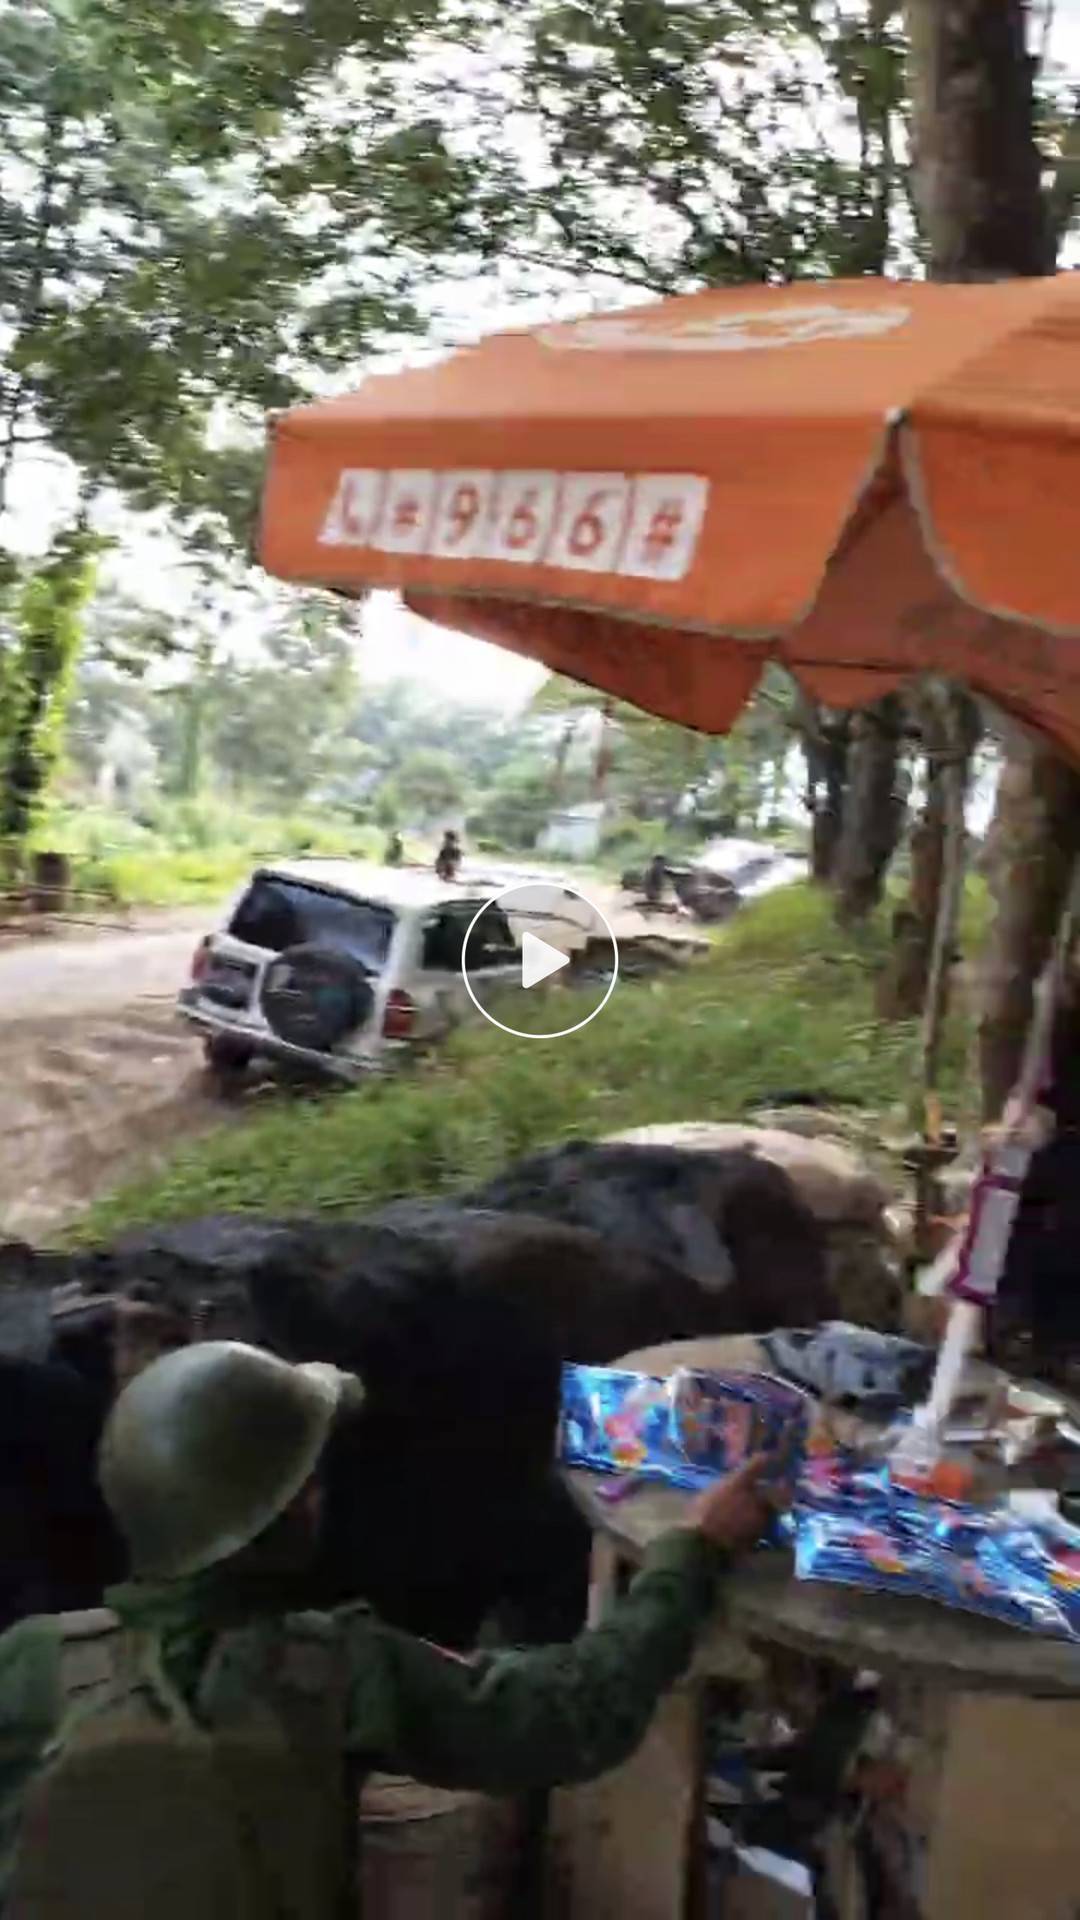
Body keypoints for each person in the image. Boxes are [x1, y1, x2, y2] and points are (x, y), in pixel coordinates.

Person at [0, 1341, 778, 1916]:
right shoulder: (337, 1672)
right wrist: (694, 1551)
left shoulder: (32, 1661)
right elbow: (575, 1712)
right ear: (296, 1512)